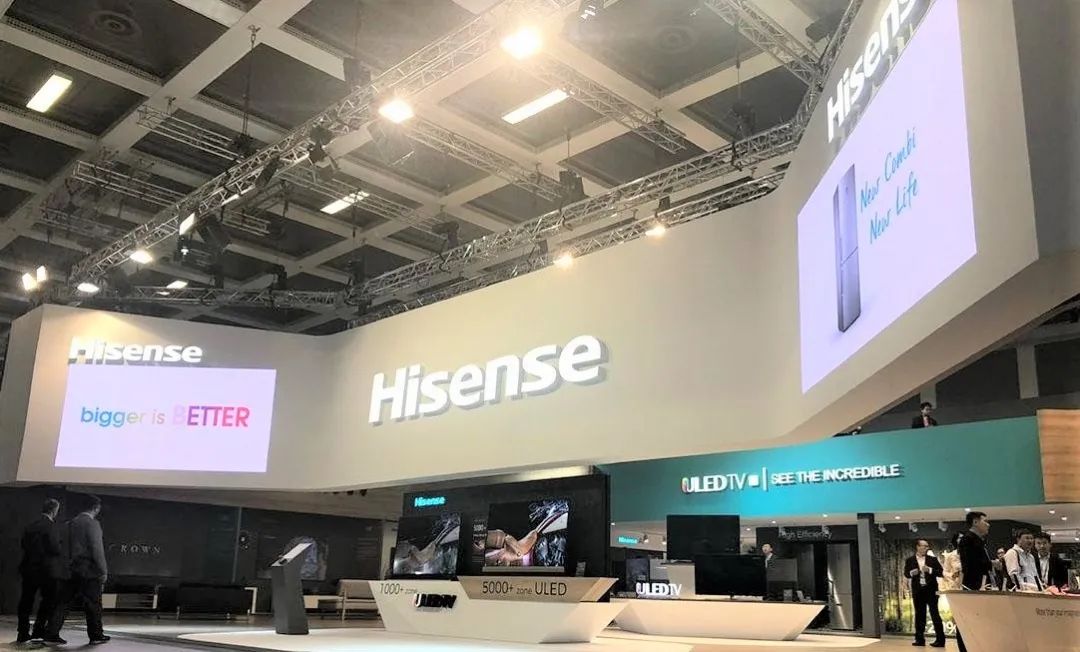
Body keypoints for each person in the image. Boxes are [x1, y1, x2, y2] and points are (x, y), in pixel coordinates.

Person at [17, 499, 65, 644]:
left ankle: (23, 632)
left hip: (29, 568)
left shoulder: (31, 526)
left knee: (26, 601)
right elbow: (55, 548)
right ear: (54, 510)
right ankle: (39, 629)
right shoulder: (51, 527)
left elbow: (23, 544)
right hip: (46, 570)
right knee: (48, 601)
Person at [67, 495, 109, 645]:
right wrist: (103, 571)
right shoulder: (92, 524)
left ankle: (51, 631)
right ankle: (96, 634)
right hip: (89, 569)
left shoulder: (72, 523)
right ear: (96, 508)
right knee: (93, 604)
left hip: (71, 567)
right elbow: (97, 549)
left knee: (63, 602)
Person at [955, 511, 994, 652]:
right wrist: (991, 564)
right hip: (972, 585)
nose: (988, 524)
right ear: (975, 522)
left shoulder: (979, 540)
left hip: (980, 584)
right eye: (985, 521)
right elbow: (970, 564)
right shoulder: (967, 540)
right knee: (967, 619)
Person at [904, 539, 945, 647]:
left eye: (927, 546)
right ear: (918, 547)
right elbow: (906, 574)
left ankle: (940, 640)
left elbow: (941, 572)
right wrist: (912, 573)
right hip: (918, 591)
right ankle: (919, 639)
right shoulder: (910, 560)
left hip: (931, 590)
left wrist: (930, 570)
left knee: (935, 614)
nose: (927, 548)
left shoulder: (932, 559)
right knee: (919, 615)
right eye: (924, 546)